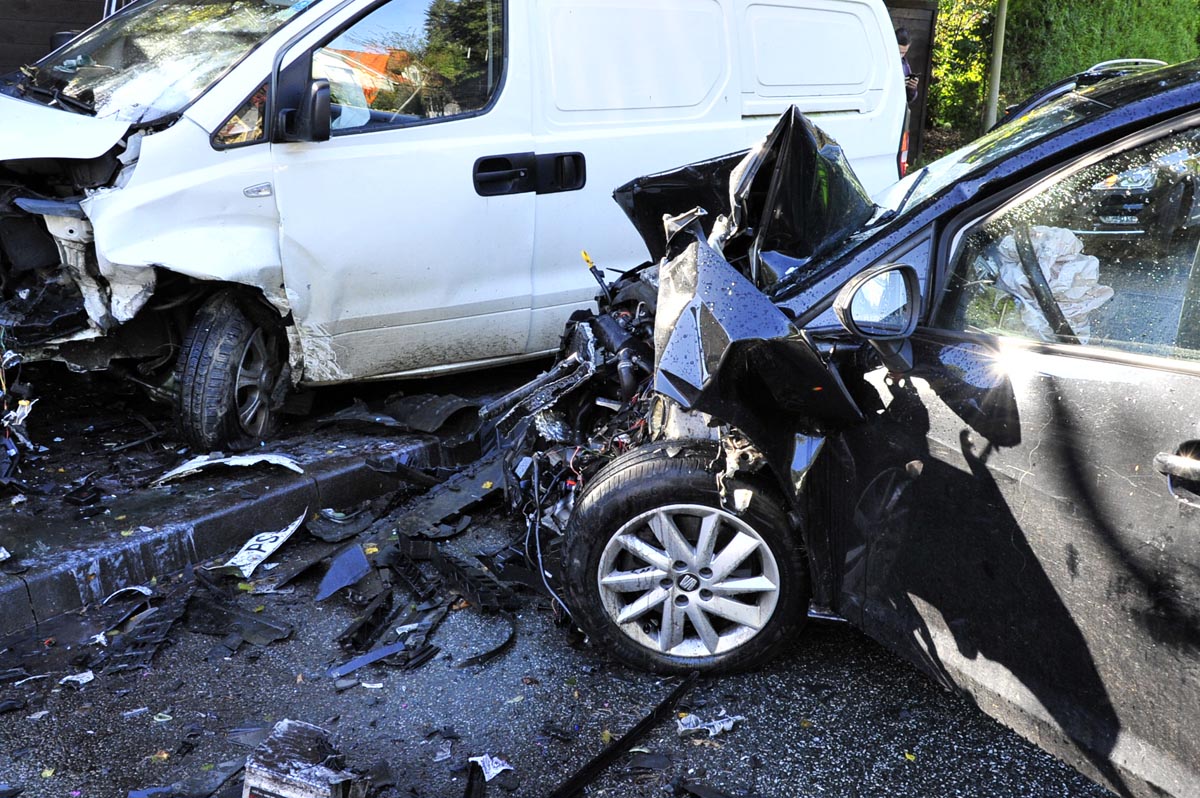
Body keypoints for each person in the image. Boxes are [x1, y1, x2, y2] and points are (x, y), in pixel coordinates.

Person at [895, 27, 919, 105]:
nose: (901, 56)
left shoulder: (905, 64)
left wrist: (912, 88)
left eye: (904, 53)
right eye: (899, 52)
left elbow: (909, 99)